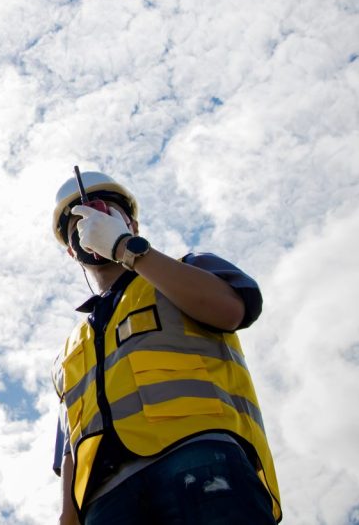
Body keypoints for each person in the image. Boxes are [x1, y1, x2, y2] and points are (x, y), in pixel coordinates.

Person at [50, 171, 281, 525]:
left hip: (199, 458)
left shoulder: (185, 270)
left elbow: (230, 309)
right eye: (77, 221)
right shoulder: (70, 350)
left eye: (104, 211)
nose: (91, 220)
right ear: (71, 249)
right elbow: (70, 448)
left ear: (133, 224)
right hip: (105, 499)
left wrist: (126, 249)